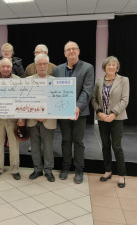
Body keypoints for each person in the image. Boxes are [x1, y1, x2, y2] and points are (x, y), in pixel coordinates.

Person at [52, 41, 94, 184]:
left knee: (78, 142)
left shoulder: (88, 68)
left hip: (79, 113)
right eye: (68, 50)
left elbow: (87, 90)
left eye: (73, 49)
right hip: (63, 112)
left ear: (78, 51)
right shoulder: (57, 70)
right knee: (65, 140)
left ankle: (79, 169)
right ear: (64, 53)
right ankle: (65, 167)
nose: (71, 51)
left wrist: (77, 107)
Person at [92, 56, 129, 188]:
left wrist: (113, 114)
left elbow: (125, 100)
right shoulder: (99, 81)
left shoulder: (124, 80)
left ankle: (121, 175)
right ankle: (108, 171)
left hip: (117, 118)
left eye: (114, 65)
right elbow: (94, 99)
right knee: (105, 145)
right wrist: (100, 113)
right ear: (105, 67)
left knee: (117, 147)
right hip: (102, 118)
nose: (111, 67)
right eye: (109, 65)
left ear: (117, 67)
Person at [0, 58, 25, 180]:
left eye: (8, 67)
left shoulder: (18, 81)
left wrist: (21, 117)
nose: (5, 69)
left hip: (13, 120)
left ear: (12, 68)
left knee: (14, 146)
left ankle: (15, 169)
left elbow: (22, 100)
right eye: (3, 66)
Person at [26, 54, 57, 182]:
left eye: (45, 64)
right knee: (34, 146)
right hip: (32, 119)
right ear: (35, 66)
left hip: (48, 120)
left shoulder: (55, 81)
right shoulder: (28, 81)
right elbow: (24, 100)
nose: (42, 66)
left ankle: (48, 170)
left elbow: (57, 101)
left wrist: (45, 114)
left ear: (48, 65)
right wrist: (35, 114)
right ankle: (37, 169)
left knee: (48, 147)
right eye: (40, 64)